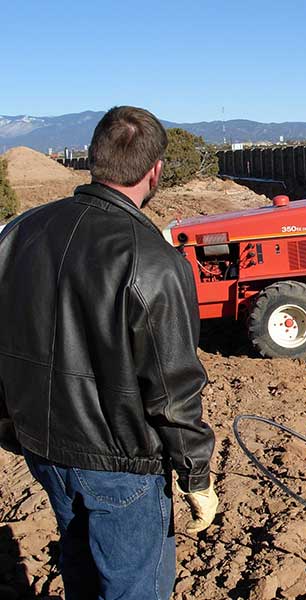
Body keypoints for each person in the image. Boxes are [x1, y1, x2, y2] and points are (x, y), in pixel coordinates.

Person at [0, 106, 217, 599]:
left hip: (42, 445)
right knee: (133, 586)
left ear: (94, 159)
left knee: (79, 565)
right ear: (155, 169)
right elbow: (174, 386)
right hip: (120, 465)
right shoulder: (155, 261)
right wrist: (196, 473)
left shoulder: (20, 231)